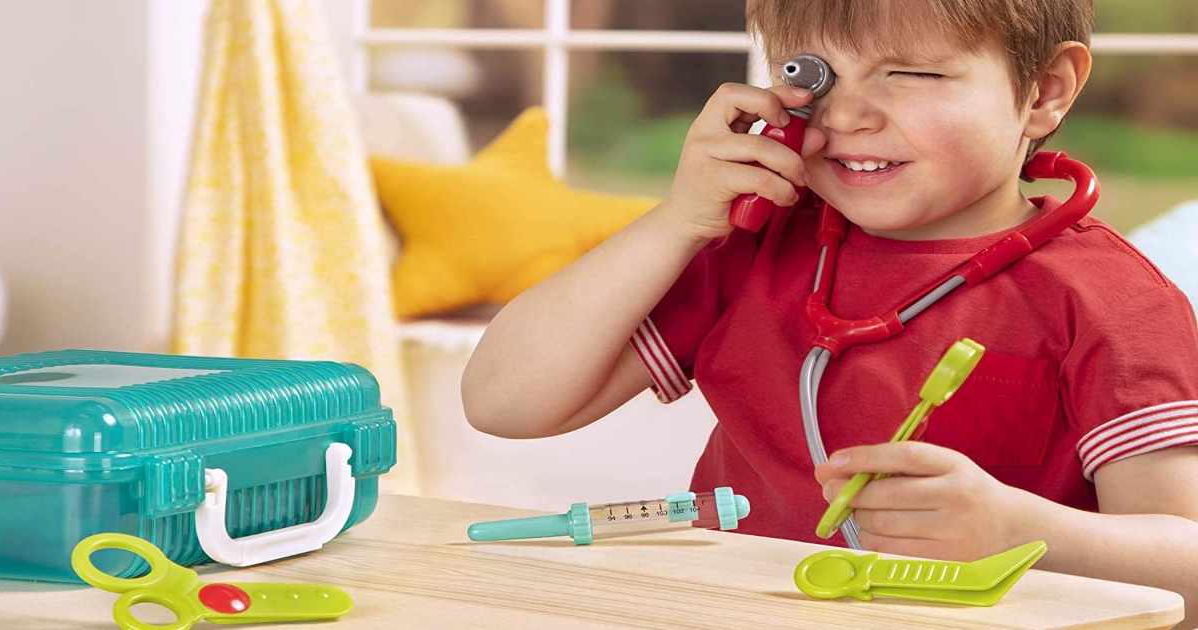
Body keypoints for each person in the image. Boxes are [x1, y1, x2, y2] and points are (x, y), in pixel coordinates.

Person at [462, 0, 1198, 621]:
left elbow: (1186, 566)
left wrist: (1025, 531)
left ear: (1044, 91)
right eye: (811, 74)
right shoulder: (752, 247)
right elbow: (505, 402)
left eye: (911, 73)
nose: (847, 114)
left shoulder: (1112, 301)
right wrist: (680, 218)